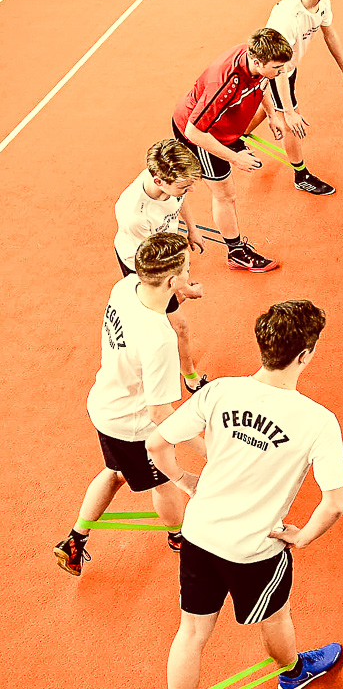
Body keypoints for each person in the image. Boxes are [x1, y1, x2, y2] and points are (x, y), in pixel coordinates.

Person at [147, 300, 343, 689]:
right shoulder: (319, 422)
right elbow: (334, 504)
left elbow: (157, 444)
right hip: (254, 551)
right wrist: (302, 536)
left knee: (190, 633)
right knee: (275, 618)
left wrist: (185, 482)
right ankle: (292, 674)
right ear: (304, 356)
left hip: (199, 534)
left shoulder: (219, 391)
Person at [55, 233, 198, 576]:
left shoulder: (127, 287)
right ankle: (180, 536)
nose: (191, 272)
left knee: (116, 473)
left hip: (104, 404)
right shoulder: (158, 339)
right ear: (170, 279)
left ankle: (75, 539)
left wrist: (184, 292)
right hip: (131, 424)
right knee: (165, 479)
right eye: (187, 269)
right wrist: (207, 447)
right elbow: (159, 412)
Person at [172, 28, 292, 273]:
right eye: (278, 68)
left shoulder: (256, 61)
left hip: (221, 123)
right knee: (225, 193)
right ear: (258, 61)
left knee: (225, 185)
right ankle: (236, 252)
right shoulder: (224, 82)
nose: (283, 72)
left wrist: (272, 115)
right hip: (201, 132)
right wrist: (235, 158)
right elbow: (195, 131)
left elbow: (262, 82)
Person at [254, 0, 343, 196]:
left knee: (272, 106)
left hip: (288, 67)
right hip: (273, 71)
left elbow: (329, 34)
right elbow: (277, 69)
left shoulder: (322, 1)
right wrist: (289, 113)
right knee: (290, 123)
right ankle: (301, 175)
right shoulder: (287, 17)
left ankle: (233, 136)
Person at [114, 139, 210, 392]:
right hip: (143, 265)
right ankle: (190, 378)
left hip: (163, 248)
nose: (189, 190)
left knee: (164, 318)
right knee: (179, 325)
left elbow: (178, 200)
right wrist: (185, 288)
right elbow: (155, 265)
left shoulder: (168, 184)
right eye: (183, 186)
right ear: (159, 181)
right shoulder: (135, 215)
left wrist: (192, 229)